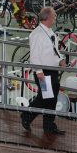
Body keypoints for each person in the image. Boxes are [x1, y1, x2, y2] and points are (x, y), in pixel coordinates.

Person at [20, 7, 67, 135]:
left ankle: (47, 125)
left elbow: (54, 49)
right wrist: (38, 71)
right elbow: (34, 55)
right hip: (44, 72)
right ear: (49, 18)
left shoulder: (50, 32)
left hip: (52, 71)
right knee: (45, 98)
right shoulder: (36, 35)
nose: (55, 18)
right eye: (54, 16)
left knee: (50, 98)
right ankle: (29, 117)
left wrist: (61, 60)